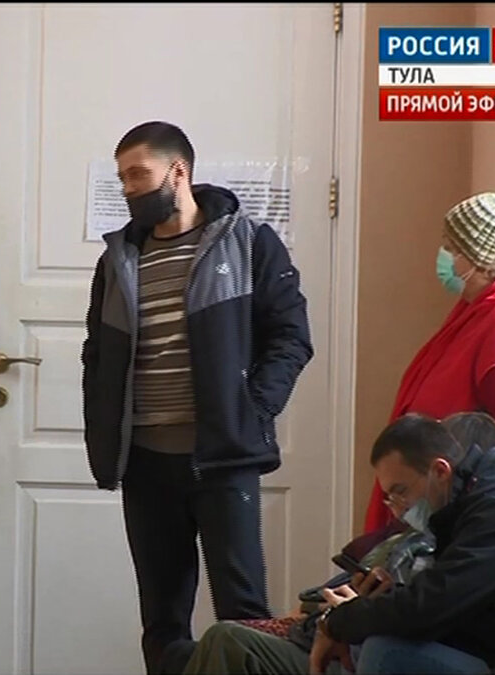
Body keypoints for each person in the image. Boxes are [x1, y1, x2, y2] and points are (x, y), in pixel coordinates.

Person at [80, 120, 313, 672]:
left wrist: (253, 409)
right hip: (145, 462)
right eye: (122, 178)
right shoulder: (118, 259)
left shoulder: (249, 242)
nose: (128, 188)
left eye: (138, 175)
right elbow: (97, 353)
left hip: (223, 457)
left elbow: (291, 337)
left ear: (178, 171)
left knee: (243, 614)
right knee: (162, 620)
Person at [181, 413, 495, 675]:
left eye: (401, 491)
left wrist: (339, 622)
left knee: (382, 650)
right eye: (390, 498)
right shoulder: (470, 502)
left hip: (486, 659)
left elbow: (429, 606)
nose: (399, 509)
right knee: (228, 638)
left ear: (441, 470)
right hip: (434, 641)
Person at [364, 192, 495, 533]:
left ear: (477, 258)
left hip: (458, 510)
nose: (443, 256)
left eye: (451, 248)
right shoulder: (475, 308)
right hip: (427, 494)